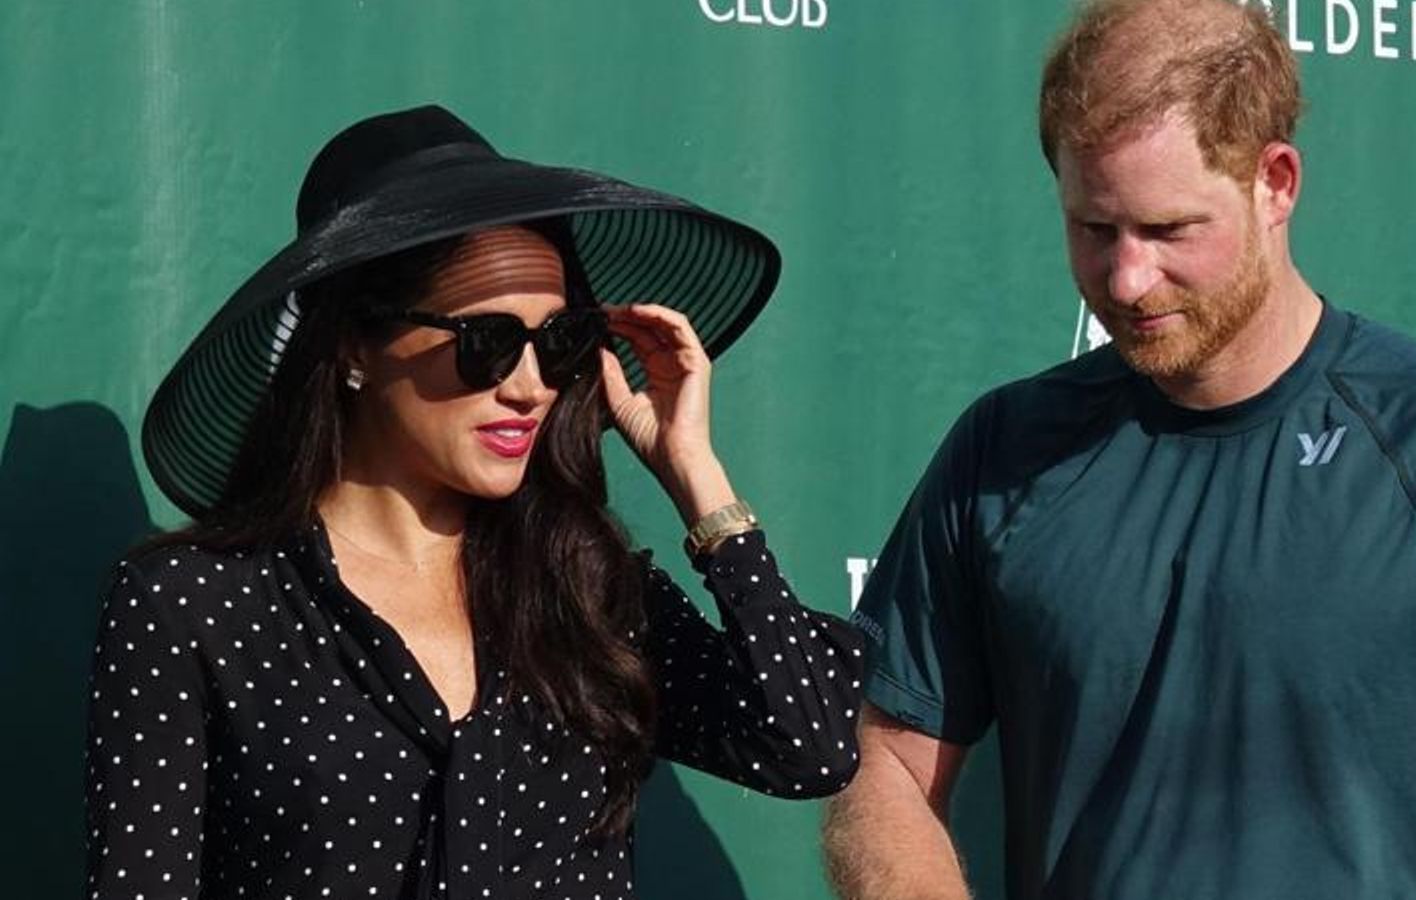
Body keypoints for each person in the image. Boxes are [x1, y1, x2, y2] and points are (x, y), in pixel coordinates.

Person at [823, 1, 1416, 898]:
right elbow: (884, 766)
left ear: (1275, 182)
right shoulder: (1001, 452)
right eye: (1094, 228)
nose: (1125, 278)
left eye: (1167, 231)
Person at [86, 105, 863, 900]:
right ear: (355, 345)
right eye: (485, 341)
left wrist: (695, 472)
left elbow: (810, 745)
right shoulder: (194, 603)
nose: (529, 387)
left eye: (557, 342)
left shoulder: (588, 592)